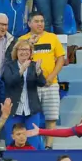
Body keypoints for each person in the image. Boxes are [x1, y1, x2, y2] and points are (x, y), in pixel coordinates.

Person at [19, 12, 66, 149]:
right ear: (29, 23)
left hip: (51, 84)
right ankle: (34, 146)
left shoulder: (52, 38)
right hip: (31, 85)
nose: (40, 24)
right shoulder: (22, 40)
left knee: (51, 117)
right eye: (36, 21)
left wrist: (51, 77)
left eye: (42, 21)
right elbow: (18, 58)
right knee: (32, 117)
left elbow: (61, 59)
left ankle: (48, 146)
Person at [2, 40, 46, 150]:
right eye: (21, 49)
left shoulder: (34, 65)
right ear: (16, 52)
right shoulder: (9, 66)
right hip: (13, 110)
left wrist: (38, 72)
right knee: (11, 141)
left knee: (32, 142)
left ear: (31, 52)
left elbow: (42, 83)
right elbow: (9, 81)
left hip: (31, 110)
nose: (24, 52)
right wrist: (21, 70)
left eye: (27, 50)